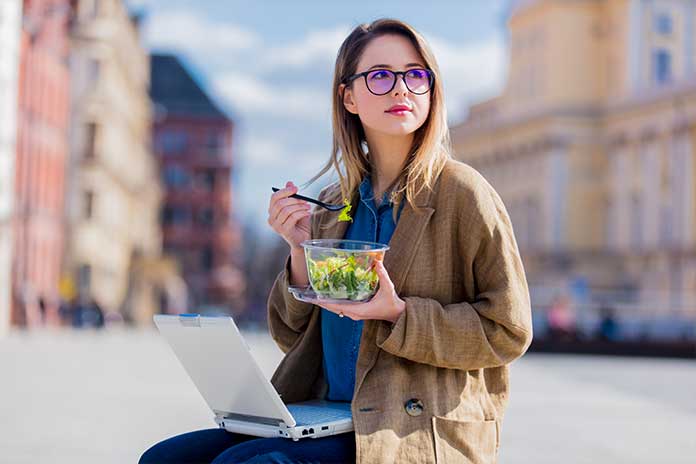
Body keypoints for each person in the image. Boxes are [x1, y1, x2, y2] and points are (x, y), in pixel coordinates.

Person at [140, 17, 532, 464]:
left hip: (408, 426)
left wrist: (399, 314)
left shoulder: (463, 193)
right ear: (348, 96)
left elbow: (508, 331)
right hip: (325, 411)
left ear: (431, 90)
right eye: (381, 75)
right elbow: (291, 336)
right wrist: (298, 250)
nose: (402, 88)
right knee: (165, 459)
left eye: (415, 74)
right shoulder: (334, 203)